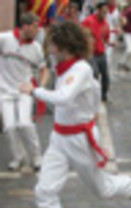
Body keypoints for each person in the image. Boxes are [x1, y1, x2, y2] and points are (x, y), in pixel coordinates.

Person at [20, 20, 131, 208]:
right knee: (44, 191)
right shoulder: (62, 66)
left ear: (66, 47)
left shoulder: (81, 69)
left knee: (103, 190)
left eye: (54, 45)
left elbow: (63, 97)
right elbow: (91, 96)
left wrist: (34, 91)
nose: (51, 50)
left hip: (80, 140)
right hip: (59, 138)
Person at [0, 13, 49, 171]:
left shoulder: (36, 48)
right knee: (9, 127)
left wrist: (38, 88)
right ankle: (17, 157)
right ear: (25, 26)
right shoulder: (5, 39)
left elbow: (44, 69)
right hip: (4, 91)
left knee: (25, 124)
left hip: (24, 91)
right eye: (35, 27)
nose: (38, 30)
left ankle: (36, 157)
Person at [82, 0, 114, 102]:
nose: (105, 14)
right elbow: (81, 34)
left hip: (101, 53)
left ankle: (104, 94)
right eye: (103, 12)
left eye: (106, 12)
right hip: (91, 54)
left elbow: (106, 38)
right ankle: (93, 95)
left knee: (105, 75)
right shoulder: (88, 21)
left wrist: (110, 43)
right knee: (94, 74)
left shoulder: (105, 24)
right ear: (98, 10)